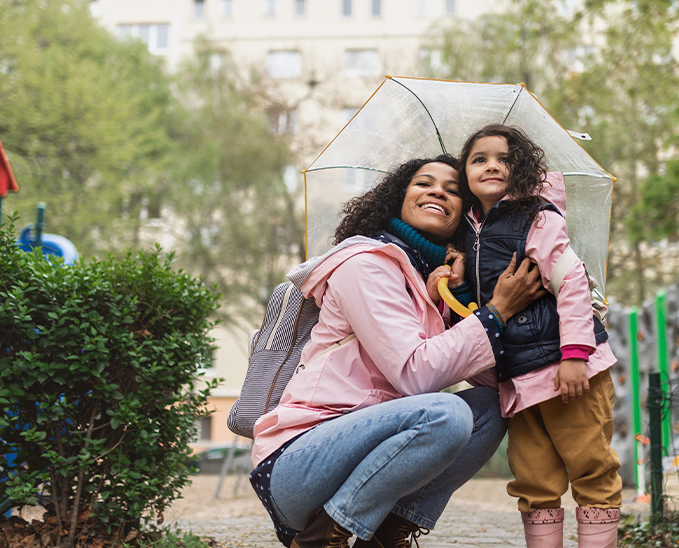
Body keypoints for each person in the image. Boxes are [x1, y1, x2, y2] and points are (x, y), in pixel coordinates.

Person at [249, 154, 548, 548]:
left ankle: (386, 536)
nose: (439, 191)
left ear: (465, 217)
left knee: (488, 410)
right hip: (299, 459)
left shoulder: (425, 284)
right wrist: (497, 313)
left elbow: (491, 377)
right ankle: (326, 537)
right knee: (447, 413)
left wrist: (459, 298)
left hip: (365, 448)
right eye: (424, 183)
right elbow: (416, 375)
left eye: (454, 189)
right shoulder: (366, 263)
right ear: (398, 199)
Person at [457, 124, 622, 548]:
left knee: (591, 468)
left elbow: (571, 281)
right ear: (464, 173)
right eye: (480, 159)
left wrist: (574, 355)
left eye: (504, 158)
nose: (492, 164)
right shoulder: (467, 232)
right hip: (515, 377)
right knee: (534, 479)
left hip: (564, 369)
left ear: (523, 168)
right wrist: (453, 279)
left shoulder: (537, 216)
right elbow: (476, 308)